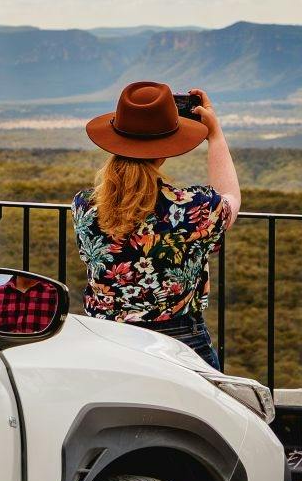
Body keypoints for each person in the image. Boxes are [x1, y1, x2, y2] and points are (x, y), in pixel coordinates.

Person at [71, 80, 240, 368]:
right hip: (178, 341)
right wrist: (215, 134)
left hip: (105, 339)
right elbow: (231, 198)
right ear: (166, 149)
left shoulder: (84, 206)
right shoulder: (192, 208)